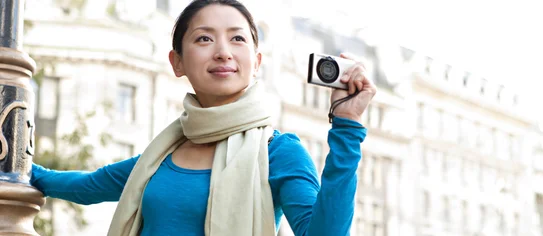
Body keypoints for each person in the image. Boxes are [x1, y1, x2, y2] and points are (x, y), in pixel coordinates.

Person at [30, 0, 377, 235]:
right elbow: (85, 186)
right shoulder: (159, 156)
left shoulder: (278, 153)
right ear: (177, 62)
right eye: (204, 38)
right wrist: (16, 164)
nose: (223, 51)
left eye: (237, 38)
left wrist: (347, 128)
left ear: (256, 63)